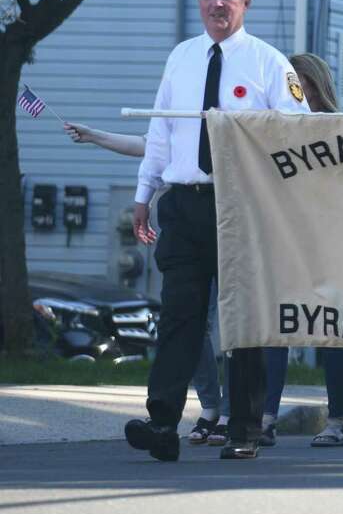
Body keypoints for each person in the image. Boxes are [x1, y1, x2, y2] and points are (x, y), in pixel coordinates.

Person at [123, 0, 310, 461]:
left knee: (242, 322)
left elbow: (299, 135)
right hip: (184, 205)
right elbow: (160, 131)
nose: (215, 4)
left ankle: (246, 429)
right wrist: (145, 194)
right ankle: (162, 423)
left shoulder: (270, 63)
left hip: (242, 205)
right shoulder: (182, 57)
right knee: (179, 316)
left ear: (245, 2)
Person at [63, 122, 233, 443]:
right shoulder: (181, 102)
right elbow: (149, 146)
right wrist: (96, 135)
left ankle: (233, 413)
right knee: (190, 323)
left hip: (234, 213)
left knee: (240, 324)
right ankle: (210, 408)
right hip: (186, 219)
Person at [260, 53, 343, 448]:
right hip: (284, 238)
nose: (292, 93)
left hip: (330, 241)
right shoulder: (269, 130)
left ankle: (337, 420)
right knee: (274, 329)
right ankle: (263, 418)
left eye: (298, 83)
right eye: (286, 84)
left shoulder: (339, 129)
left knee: (333, 331)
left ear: (315, 85)